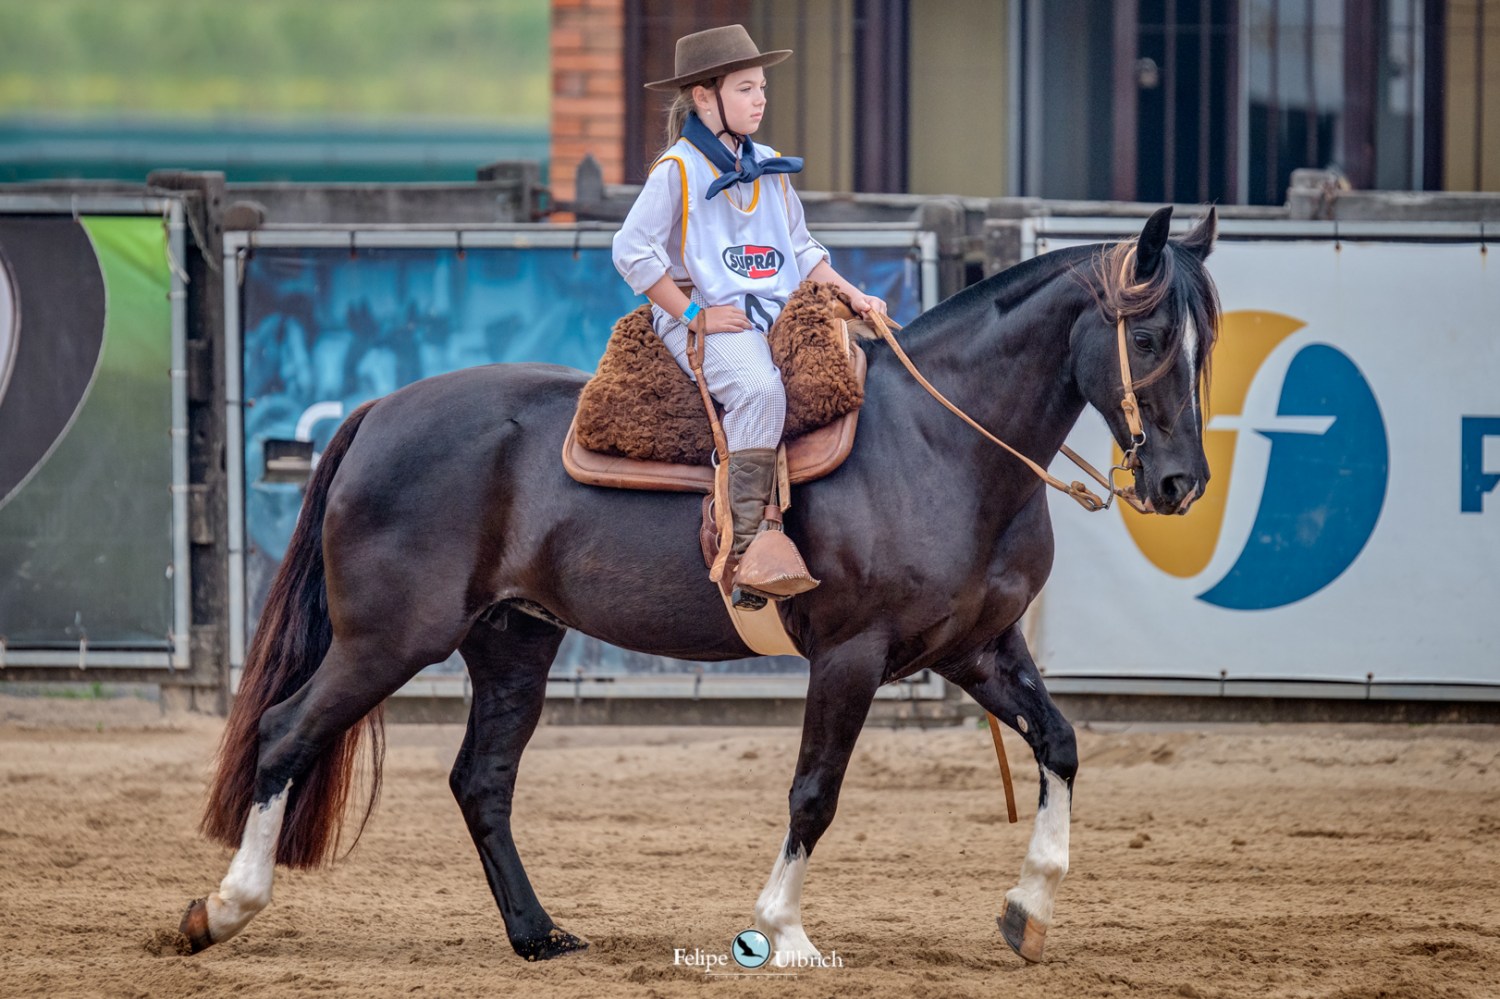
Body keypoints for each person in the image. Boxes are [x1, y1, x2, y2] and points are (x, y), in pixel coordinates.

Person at [612, 23, 886, 608]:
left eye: (761, 87)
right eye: (744, 89)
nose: (760, 99)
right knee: (761, 391)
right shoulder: (677, 170)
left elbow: (804, 250)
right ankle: (747, 549)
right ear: (704, 97)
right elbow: (630, 251)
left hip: (775, 315)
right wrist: (694, 314)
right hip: (711, 319)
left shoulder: (768, 165)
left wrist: (855, 295)